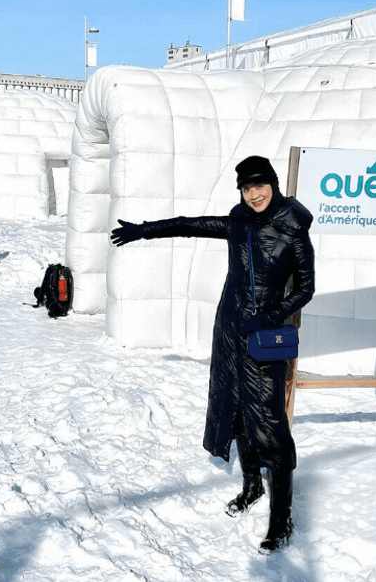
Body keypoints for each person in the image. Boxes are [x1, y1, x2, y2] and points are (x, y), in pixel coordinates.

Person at [109, 155, 315, 553]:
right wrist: (144, 231)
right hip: (229, 330)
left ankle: (281, 519)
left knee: (269, 423)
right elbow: (190, 225)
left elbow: (305, 288)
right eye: (246, 188)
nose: (254, 194)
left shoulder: (293, 231)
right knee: (235, 407)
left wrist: (271, 316)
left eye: (260, 186)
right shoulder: (238, 222)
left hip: (264, 334)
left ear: (273, 184)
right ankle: (252, 485)